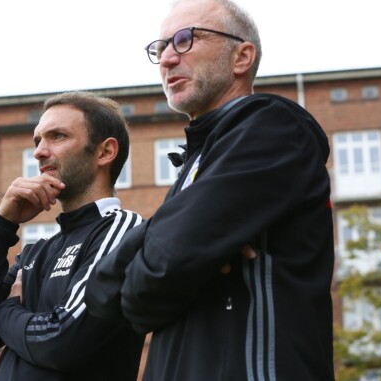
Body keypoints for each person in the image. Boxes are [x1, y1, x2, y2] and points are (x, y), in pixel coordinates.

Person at [84, 0, 336, 380]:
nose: (167, 58)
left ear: (242, 57)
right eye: (160, 47)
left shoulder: (274, 127)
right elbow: (102, 294)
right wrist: (172, 242)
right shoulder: (195, 164)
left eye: (185, 39)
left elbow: (163, 268)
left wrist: (168, 253)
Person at [0, 91, 144, 381]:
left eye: (57, 136)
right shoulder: (36, 253)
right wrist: (0, 226)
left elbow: (63, 342)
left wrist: (6, 309)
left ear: (105, 152)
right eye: (38, 140)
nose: (39, 151)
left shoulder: (122, 230)